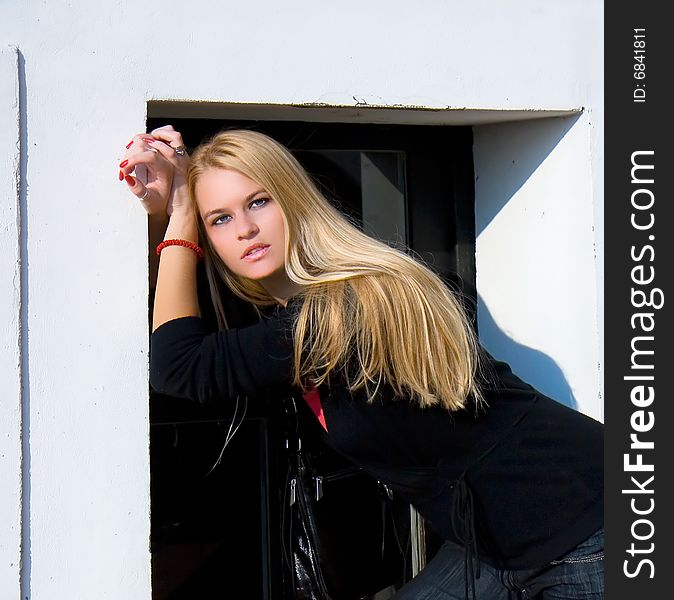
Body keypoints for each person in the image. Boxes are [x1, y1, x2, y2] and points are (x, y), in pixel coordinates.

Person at [118, 125, 604, 599]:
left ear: (294, 200)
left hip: (587, 525)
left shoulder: (344, 308)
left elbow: (179, 366)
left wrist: (182, 216)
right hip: (496, 545)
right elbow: (180, 332)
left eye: (258, 202)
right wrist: (169, 210)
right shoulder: (291, 313)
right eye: (218, 219)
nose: (244, 229)